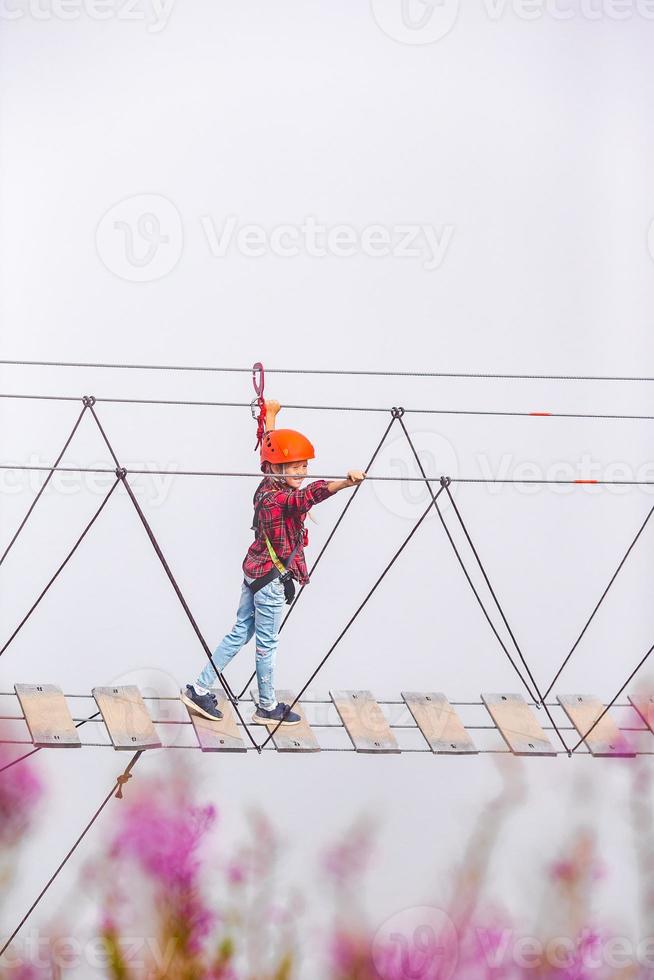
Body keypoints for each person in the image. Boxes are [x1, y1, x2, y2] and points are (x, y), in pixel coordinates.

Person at [182, 400, 366, 726]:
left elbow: (271, 448)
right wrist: (345, 483)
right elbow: (309, 496)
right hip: (270, 580)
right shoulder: (282, 498)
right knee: (267, 644)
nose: (302, 472)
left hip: (254, 571)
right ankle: (267, 706)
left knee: (240, 631)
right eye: (294, 467)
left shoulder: (268, 482)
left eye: (304, 466)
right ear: (278, 470)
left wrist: (270, 418)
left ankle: (198, 688)